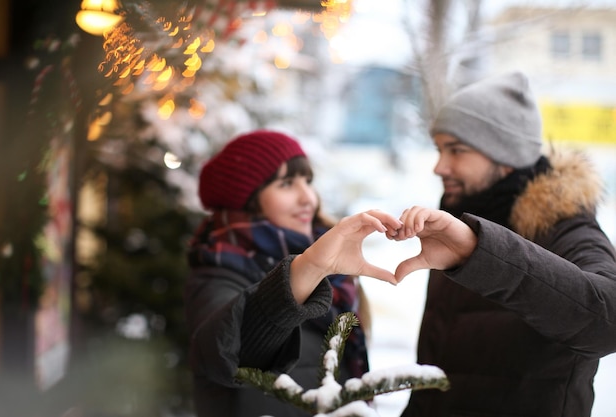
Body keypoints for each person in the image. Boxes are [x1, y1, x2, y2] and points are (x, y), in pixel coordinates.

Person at [391, 71, 616, 417]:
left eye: (457, 150)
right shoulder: (460, 220)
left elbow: (608, 321)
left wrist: (480, 253)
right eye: (439, 149)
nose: (439, 166)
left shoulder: (566, 227)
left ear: (507, 156)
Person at [184, 130, 401, 417]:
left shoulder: (329, 261)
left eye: (308, 181)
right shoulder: (219, 269)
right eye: (286, 184)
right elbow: (227, 353)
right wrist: (306, 271)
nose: (308, 198)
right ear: (246, 200)